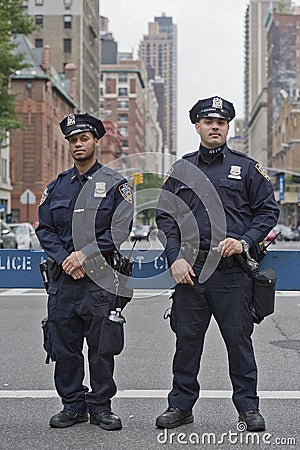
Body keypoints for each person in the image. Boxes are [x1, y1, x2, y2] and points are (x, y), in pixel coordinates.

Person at [155, 96, 279, 431]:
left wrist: (244, 241)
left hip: (231, 275)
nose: (215, 127)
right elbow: (165, 216)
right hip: (191, 274)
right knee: (186, 346)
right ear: (197, 126)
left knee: (239, 345)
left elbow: (268, 212)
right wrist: (175, 258)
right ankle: (180, 407)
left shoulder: (247, 168)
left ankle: (248, 408)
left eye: (221, 123)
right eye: (208, 122)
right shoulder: (182, 169)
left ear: (228, 127)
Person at [36, 113, 133, 430]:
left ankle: (101, 407)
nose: (78, 144)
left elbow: (120, 229)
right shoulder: (57, 187)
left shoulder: (115, 184)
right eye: (73, 140)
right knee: (64, 349)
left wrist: (84, 255)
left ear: (95, 141)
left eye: (84, 138)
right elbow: (45, 230)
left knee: (102, 349)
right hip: (64, 282)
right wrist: (67, 258)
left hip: (100, 281)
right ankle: (73, 406)